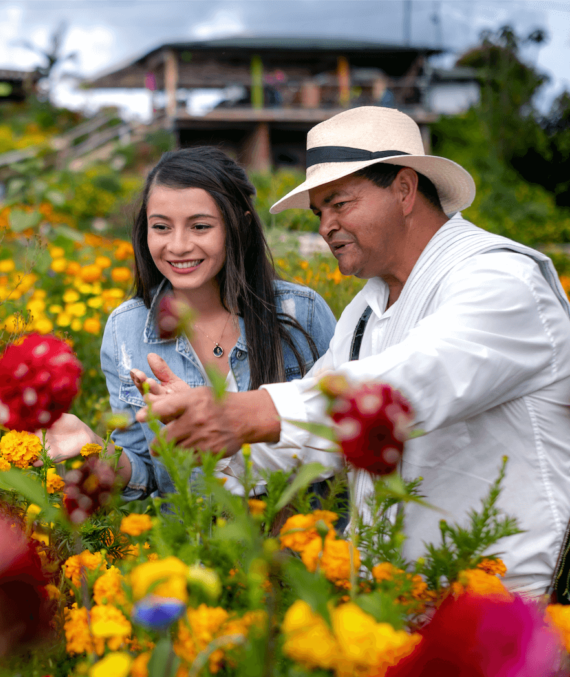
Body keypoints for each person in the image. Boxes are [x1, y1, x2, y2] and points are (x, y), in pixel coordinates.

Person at [140, 107, 570, 597]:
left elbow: (410, 383)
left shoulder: (501, 281)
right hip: (399, 605)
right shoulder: (367, 310)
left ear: (405, 189)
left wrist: (249, 411)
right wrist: (202, 437)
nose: (327, 226)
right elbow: (309, 435)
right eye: (319, 212)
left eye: (341, 203)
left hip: (508, 613)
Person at [42, 146, 338, 500]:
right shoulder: (128, 328)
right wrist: (94, 448)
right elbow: (146, 471)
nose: (178, 246)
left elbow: (340, 436)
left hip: (296, 545)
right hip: (190, 547)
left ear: (239, 225)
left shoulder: (299, 313)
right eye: (161, 227)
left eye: (200, 226)